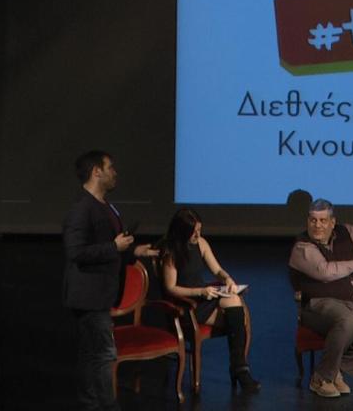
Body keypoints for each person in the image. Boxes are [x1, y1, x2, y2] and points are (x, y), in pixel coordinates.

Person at [62, 150, 157, 410]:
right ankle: (107, 405)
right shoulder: (82, 208)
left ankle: (90, 403)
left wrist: (134, 251)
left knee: (91, 353)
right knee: (105, 353)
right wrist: (114, 247)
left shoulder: (104, 206)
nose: (115, 173)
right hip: (88, 295)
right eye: (110, 167)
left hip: (100, 293)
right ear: (96, 171)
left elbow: (110, 246)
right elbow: (76, 252)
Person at [288, 198, 353, 398]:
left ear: (332, 222)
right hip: (318, 304)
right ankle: (321, 378)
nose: (317, 225)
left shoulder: (345, 232)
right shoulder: (302, 247)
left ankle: (334, 370)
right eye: (313, 220)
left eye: (323, 220)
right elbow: (325, 272)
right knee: (349, 322)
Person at [158, 208, 260, 392]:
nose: (198, 235)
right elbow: (170, 288)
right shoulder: (172, 252)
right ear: (182, 231)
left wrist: (227, 279)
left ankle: (239, 368)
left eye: (199, 230)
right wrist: (200, 291)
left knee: (234, 301)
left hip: (204, 296)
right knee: (237, 321)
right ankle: (239, 368)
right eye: (193, 231)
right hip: (186, 303)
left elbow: (217, 270)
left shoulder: (202, 243)